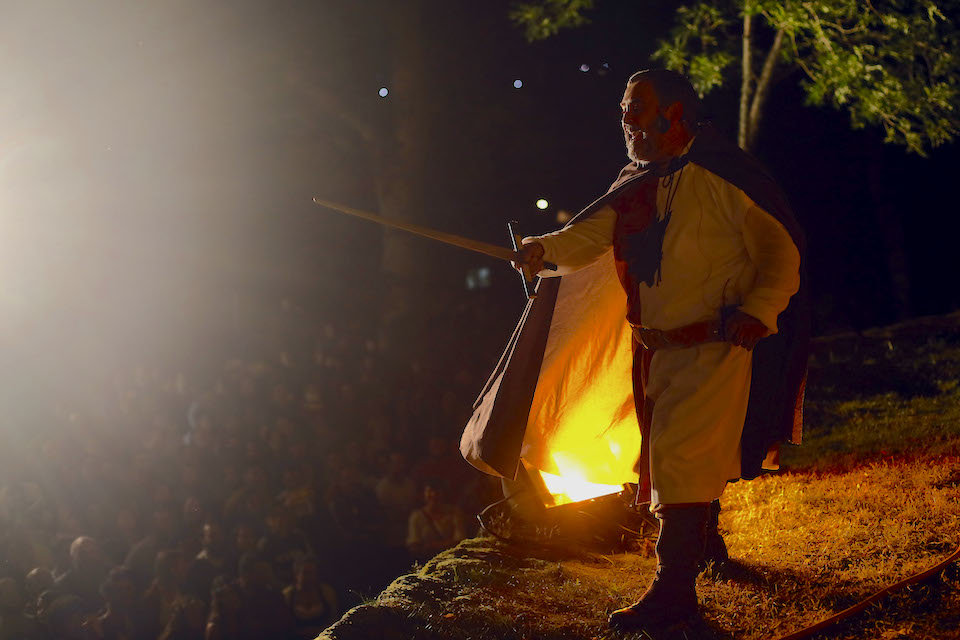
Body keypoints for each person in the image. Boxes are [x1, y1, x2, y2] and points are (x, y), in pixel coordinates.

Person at [505, 68, 808, 631]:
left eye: (636, 109)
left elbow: (781, 254)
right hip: (655, 351)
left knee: (680, 460)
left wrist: (757, 312)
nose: (626, 121)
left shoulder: (728, 178)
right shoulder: (640, 181)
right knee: (678, 455)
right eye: (624, 109)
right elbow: (591, 236)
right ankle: (707, 548)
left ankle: (673, 593)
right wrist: (544, 248)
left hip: (715, 343)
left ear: (674, 114)